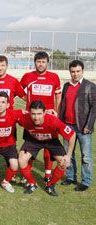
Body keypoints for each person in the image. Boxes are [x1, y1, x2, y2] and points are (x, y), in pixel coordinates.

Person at [18, 100, 76, 196]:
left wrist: (68, 155)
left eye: (39, 114)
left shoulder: (53, 121)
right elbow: (11, 116)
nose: (36, 117)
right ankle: (32, 183)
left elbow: (72, 135)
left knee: (64, 163)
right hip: (34, 140)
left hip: (51, 141)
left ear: (44, 113)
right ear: (29, 113)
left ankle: (50, 185)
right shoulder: (24, 118)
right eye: (33, 114)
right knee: (21, 160)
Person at [20, 51, 62, 182]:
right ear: (35, 63)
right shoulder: (27, 76)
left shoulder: (54, 77)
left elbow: (58, 96)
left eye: (43, 62)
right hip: (31, 119)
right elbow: (19, 91)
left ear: (47, 63)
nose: (41, 64)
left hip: (48, 118)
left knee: (49, 146)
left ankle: (48, 173)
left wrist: (57, 112)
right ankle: (28, 176)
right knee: (30, 145)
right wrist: (28, 103)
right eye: (38, 61)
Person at [60, 60, 96, 191]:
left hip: (83, 127)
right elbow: (62, 105)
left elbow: (94, 108)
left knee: (86, 156)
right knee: (69, 154)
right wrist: (60, 124)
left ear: (82, 71)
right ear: (70, 72)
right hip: (67, 126)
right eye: (73, 71)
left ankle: (86, 181)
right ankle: (71, 177)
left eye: (78, 71)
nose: (75, 74)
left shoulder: (90, 86)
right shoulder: (66, 86)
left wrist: (89, 125)